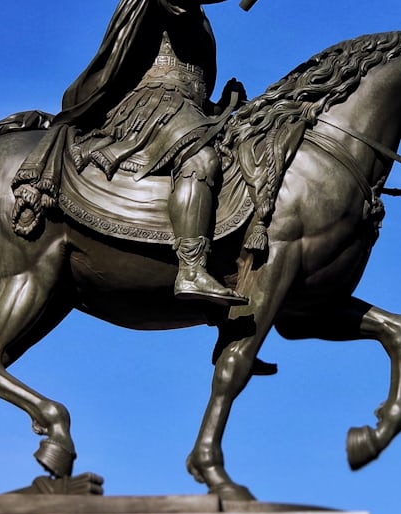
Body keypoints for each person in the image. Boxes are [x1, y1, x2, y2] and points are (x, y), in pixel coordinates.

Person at [13, 0, 247, 305]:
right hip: (156, 103)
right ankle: (191, 268)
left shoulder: (201, 17)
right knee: (200, 159)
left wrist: (219, 106)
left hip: (187, 108)